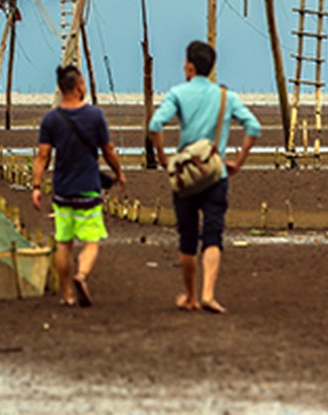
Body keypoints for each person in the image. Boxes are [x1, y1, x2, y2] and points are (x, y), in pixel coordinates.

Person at [147, 40, 260, 313]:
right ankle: (209, 293)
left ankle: (191, 296)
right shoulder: (225, 97)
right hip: (215, 173)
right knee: (213, 234)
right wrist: (239, 162)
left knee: (187, 237)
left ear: (189, 65)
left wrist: (163, 158)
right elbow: (253, 127)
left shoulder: (178, 93)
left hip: (186, 175)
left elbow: (154, 125)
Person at [31, 64, 127, 307]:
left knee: (63, 242)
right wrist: (119, 173)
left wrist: (35, 187)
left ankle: (66, 294)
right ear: (78, 86)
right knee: (91, 241)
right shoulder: (94, 116)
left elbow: (42, 156)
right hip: (88, 189)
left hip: (62, 191)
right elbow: (108, 150)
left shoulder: (51, 120)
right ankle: (81, 274)